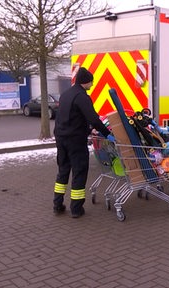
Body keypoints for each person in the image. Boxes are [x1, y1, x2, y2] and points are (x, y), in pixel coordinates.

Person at [52, 67, 114, 218]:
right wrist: (107, 134)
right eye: (91, 82)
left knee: (63, 171)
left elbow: (69, 118)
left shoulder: (65, 95)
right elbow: (93, 119)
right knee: (79, 172)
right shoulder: (82, 96)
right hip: (75, 141)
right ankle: (76, 209)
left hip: (61, 138)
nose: (92, 85)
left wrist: (88, 131)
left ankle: (57, 204)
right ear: (85, 82)